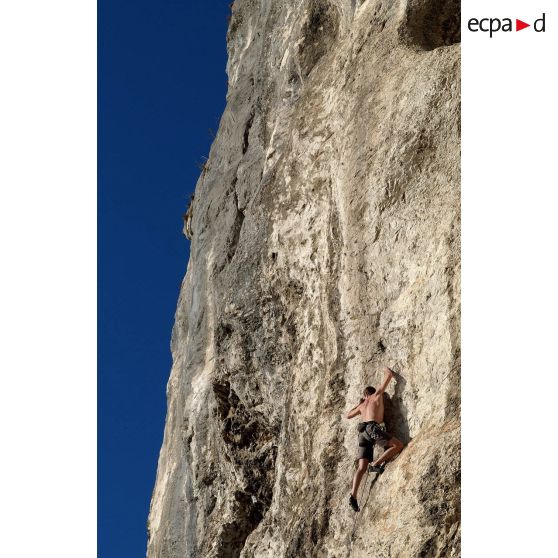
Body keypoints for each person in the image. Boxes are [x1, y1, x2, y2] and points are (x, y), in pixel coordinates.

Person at [346, 366, 404, 512]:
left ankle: (353, 495)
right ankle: (376, 464)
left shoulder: (361, 406)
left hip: (362, 432)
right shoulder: (376, 396)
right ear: (371, 393)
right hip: (372, 428)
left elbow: (347, 415)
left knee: (361, 467)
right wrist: (385, 369)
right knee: (397, 446)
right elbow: (389, 375)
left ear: (364, 395)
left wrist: (360, 404)